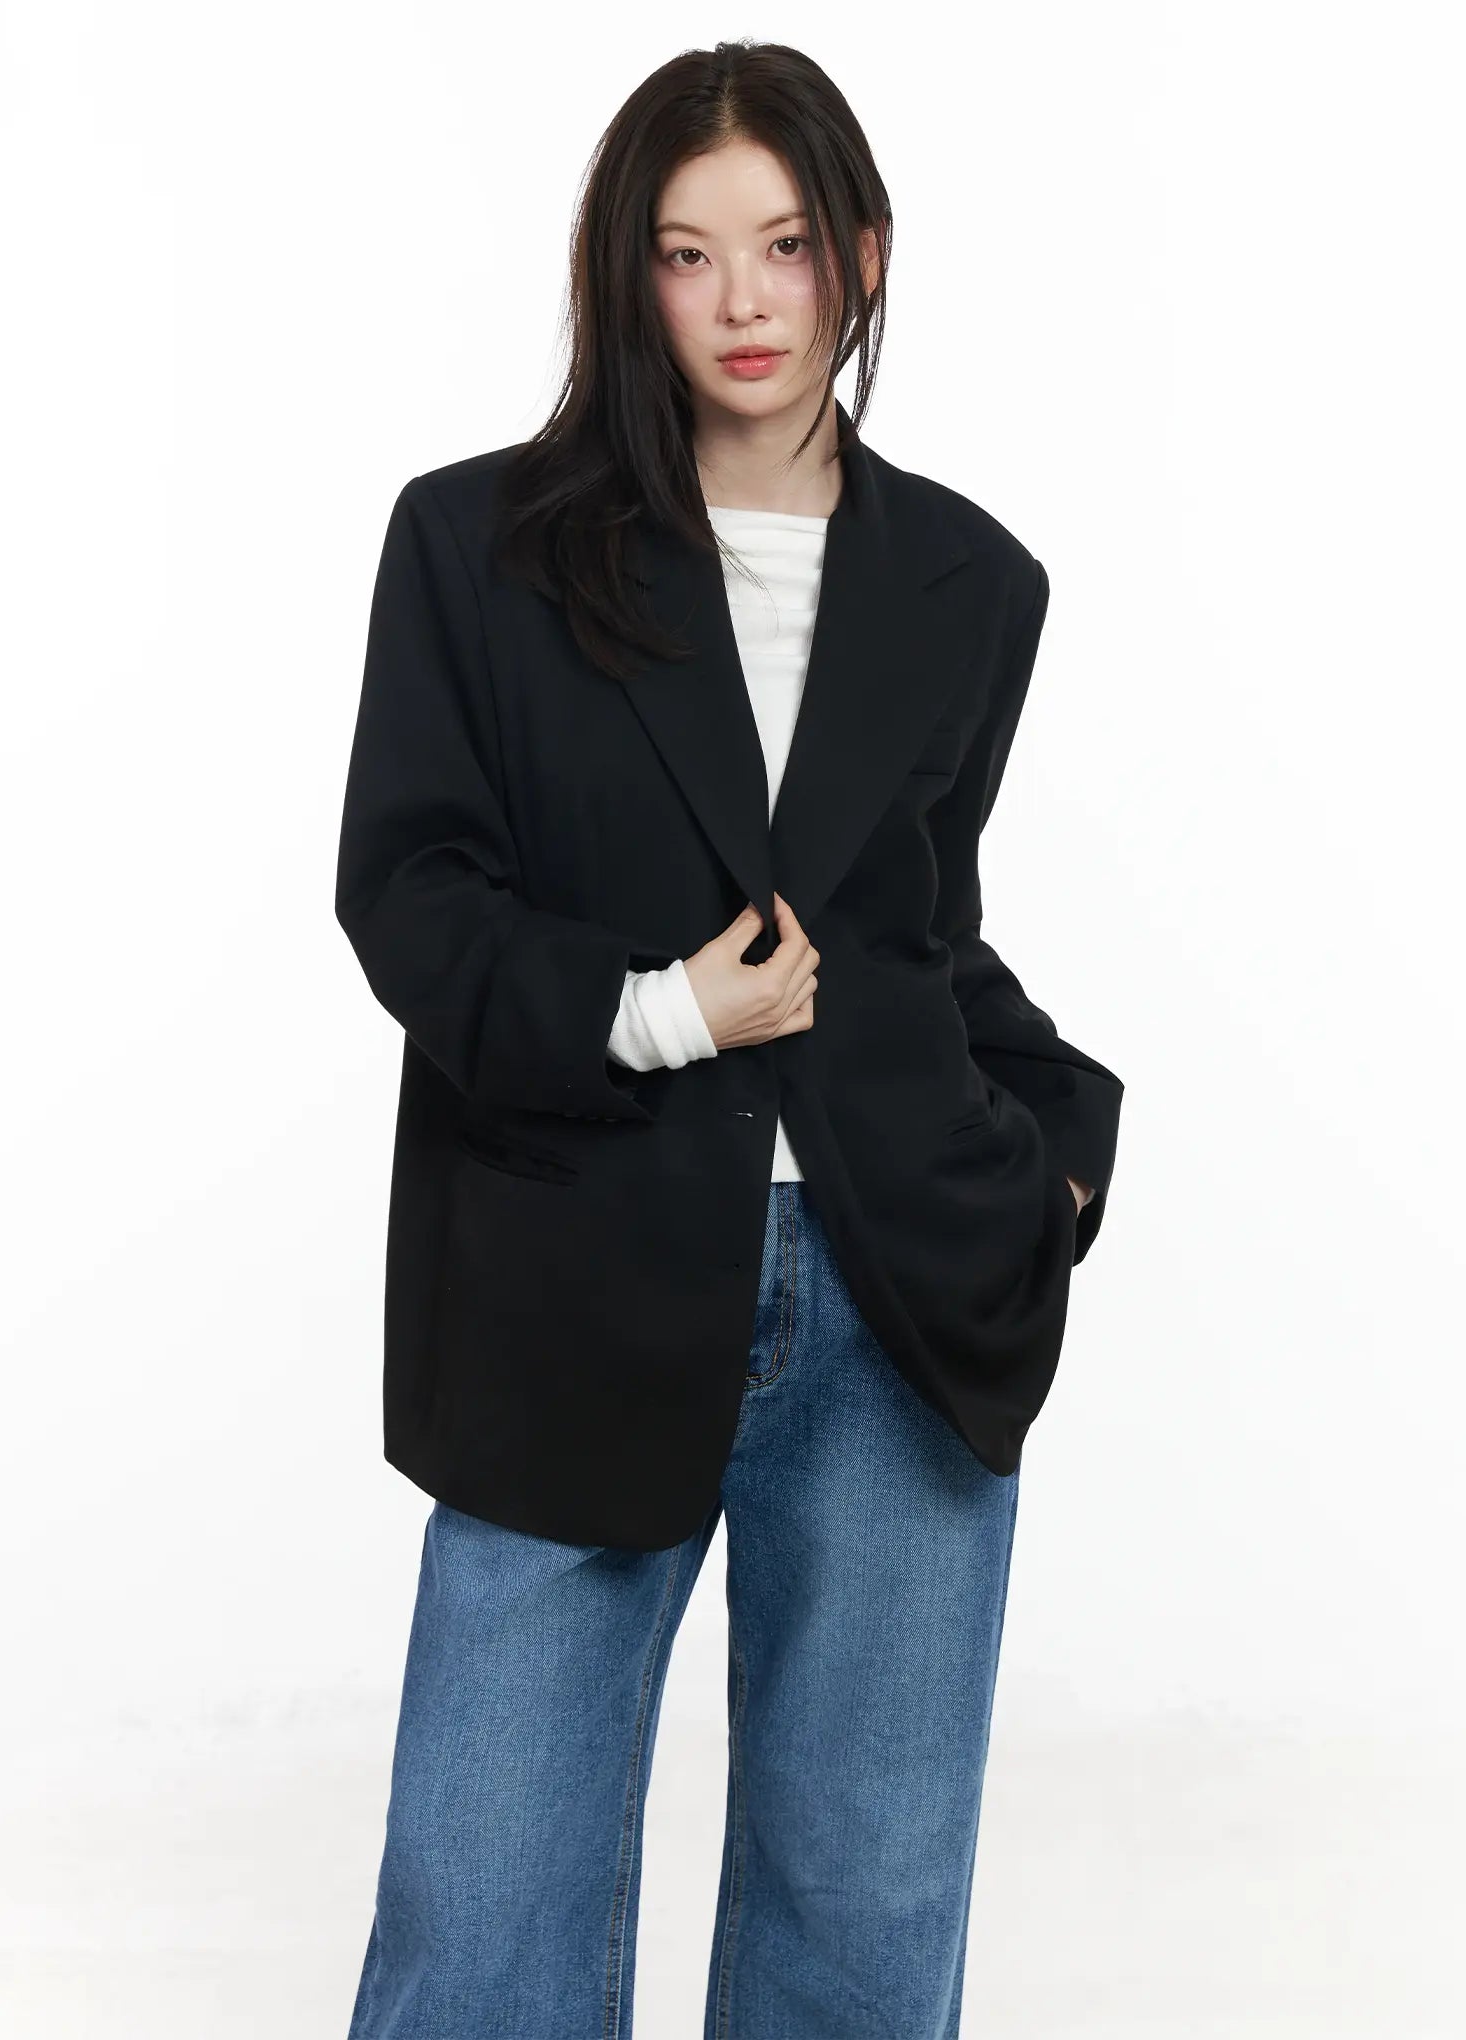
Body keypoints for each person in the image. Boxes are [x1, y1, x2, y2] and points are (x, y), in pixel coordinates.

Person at [334, 38, 1124, 2040]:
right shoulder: (479, 546)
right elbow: (411, 892)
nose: (744, 302)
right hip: (571, 1268)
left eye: (785, 246)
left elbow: (916, 927)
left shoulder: (972, 581)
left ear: (864, 255)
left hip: (898, 1293)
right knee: (480, 1918)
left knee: (859, 1925)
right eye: (688, 254)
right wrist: (663, 1013)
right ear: (631, 275)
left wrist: (1057, 1153)